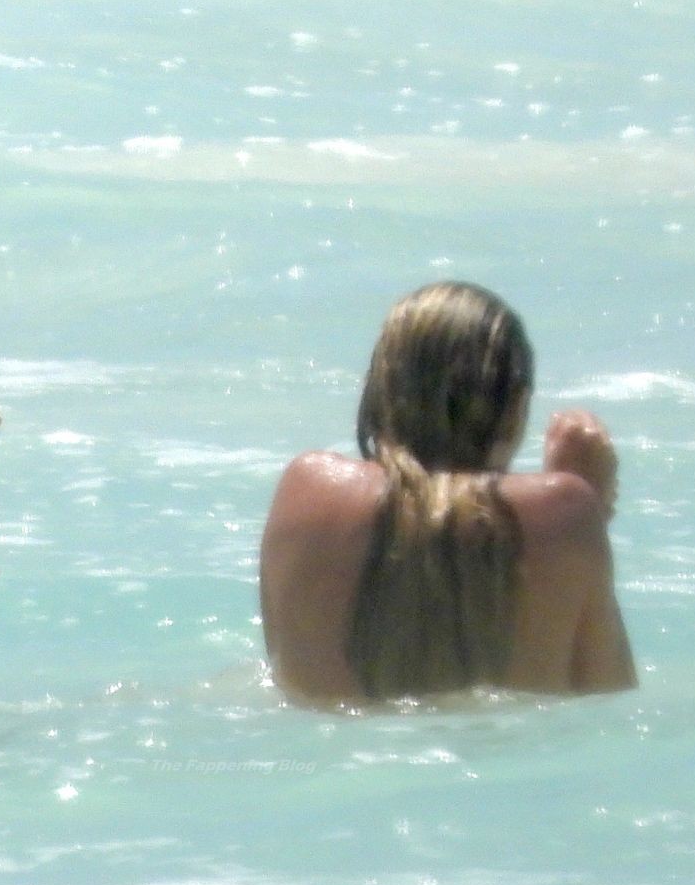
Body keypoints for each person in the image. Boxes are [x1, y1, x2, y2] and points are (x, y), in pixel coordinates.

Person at [259, 280, 635, 703]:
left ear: (380, 389)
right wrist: (590, 514)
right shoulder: (563, 511)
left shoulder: (306, 492)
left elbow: (282, 667)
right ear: (515, 407)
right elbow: (607, 693)